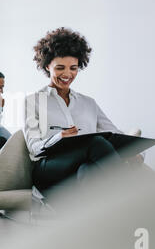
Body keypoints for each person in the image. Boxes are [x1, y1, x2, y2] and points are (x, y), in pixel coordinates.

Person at [24, 27, 143, 196]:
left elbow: (114, 134)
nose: (67, 74)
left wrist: (135, 152)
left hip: (79, 170)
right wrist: (59, 137)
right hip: (49, 168)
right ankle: (134, 194)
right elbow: (34, 148)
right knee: (95, 142)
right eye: (60, 68)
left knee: (88, 170)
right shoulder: (33, 101)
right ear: (47, 66)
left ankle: (95, 219)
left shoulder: (89, 103)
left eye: (73, 68)